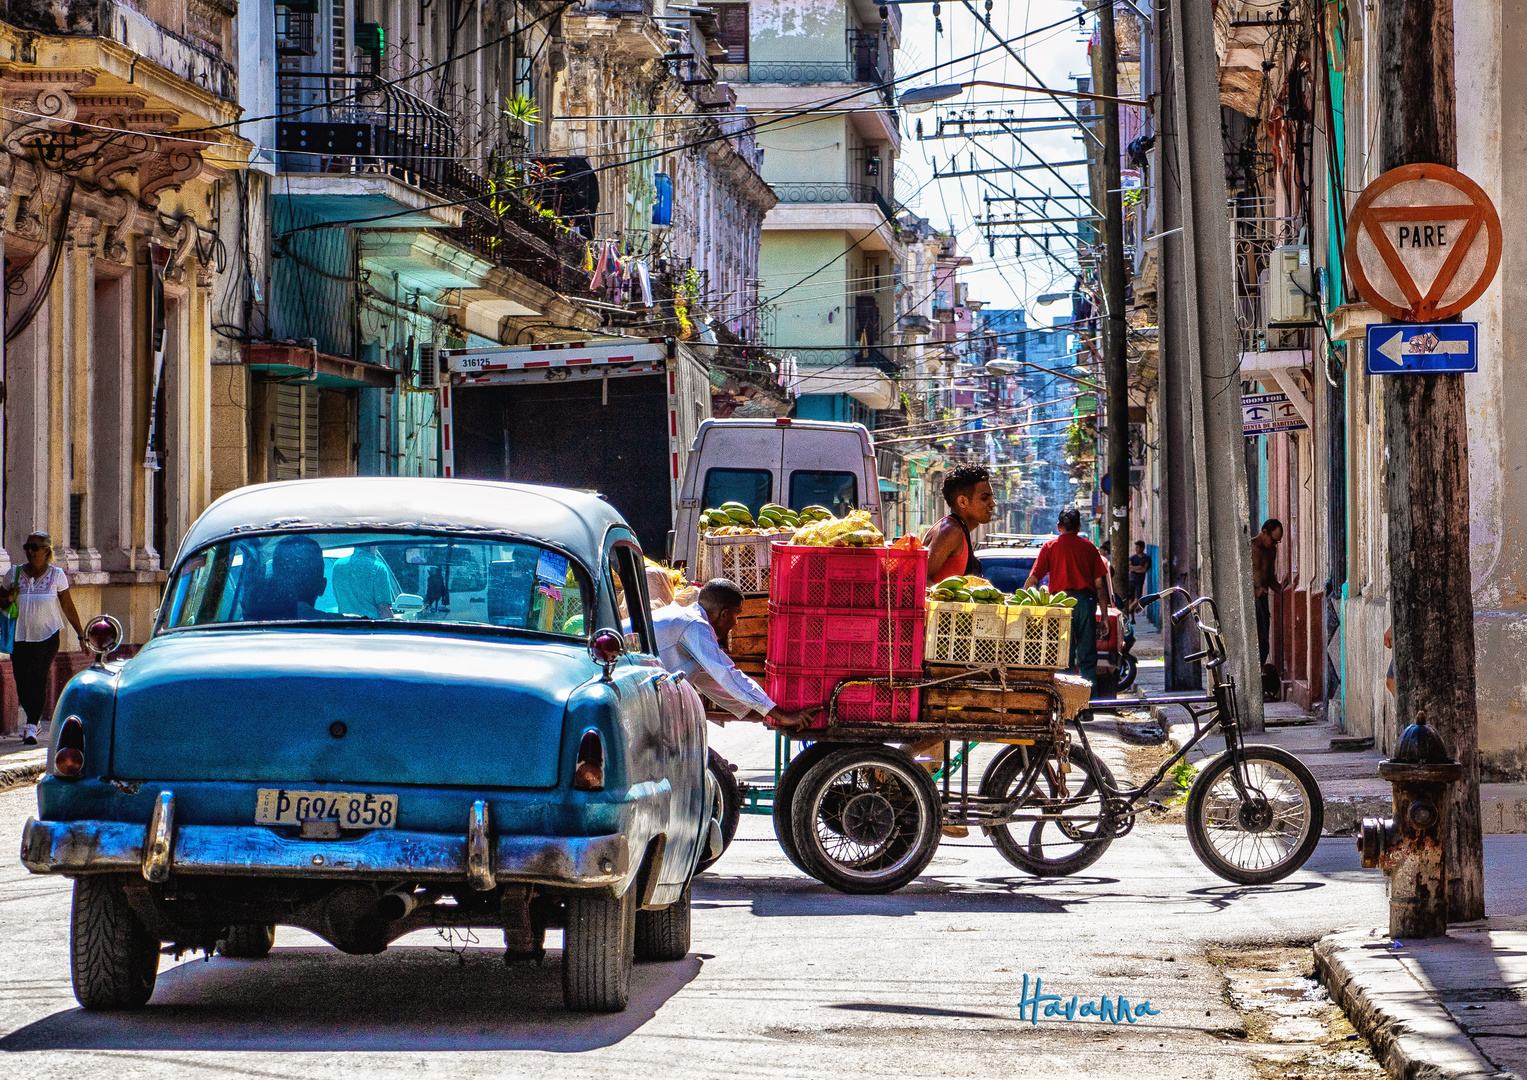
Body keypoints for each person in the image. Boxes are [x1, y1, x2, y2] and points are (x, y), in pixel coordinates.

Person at [653, 579, 813, 731]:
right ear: (723, 614)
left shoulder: (686, 620)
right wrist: (781, 715)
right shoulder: (694, 624)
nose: (736, 623)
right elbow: (726, 674)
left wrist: (764, 712)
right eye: (736, 615)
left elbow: (712, 682)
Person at [1, 533, 86, 745]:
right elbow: (1, 599)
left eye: (35, 548)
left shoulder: (56, 575)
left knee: (38, 677)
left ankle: (31, 725)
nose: (30, 551)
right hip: (19, 636)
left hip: (47, 636)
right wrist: (8, 597)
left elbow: (67, 605)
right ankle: (33, 720)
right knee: (22, 679)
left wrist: (81, 634)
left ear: (46, 550)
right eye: (27, 547)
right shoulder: (14, 573)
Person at [1024, 509, 1110, 685]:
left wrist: (1028, 607)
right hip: (1086, 604)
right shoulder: (1090, 548)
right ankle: (1086, 706)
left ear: (1058, 527)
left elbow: (1033, 580)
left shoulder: (1050, 547)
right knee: (1087, 658)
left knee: (1063, 658)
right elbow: (1100, 586)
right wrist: (1105, 617)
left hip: (1061, 605)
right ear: (1079, 527)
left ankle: (1066, 707)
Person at [922, 465, 997, 583]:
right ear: (962, 501)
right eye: (984, 498)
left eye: (991, 498)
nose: (993, 504)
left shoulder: (959, 530)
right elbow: (921, 578)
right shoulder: (951, 531)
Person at [1251, 518, 1288, 669]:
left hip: (1263, 601)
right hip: (1251, 601)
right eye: (1273, 540)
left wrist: (1282, 591)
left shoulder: (1271, 551)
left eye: (1277, 542)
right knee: (1254, 639)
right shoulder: (1250, 547)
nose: (1274, 545)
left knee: (1264, 639)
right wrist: (1254, 590)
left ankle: (1259, 672)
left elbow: (1271, 578)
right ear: (1264, 533)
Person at [331, 546, 399, 618]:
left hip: (343, 626)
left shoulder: (338, 565)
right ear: (374, 546)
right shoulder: (379, 568)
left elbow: (337, 598)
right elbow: (383, 609)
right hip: (371, 627)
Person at [1127, 541, 1151, 624]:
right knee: (1130, 600)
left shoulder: (1146, 558)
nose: (1136, 549)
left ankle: (1126, 613)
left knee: (1136, 600)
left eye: (1137, 547)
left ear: (1142, 548)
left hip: (1139, 582)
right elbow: (1129, 568)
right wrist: (1139, 567)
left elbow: (1145, 569)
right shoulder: (1132, 558)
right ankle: (1132, 619)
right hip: (1131, 580)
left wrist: (1135, 569)